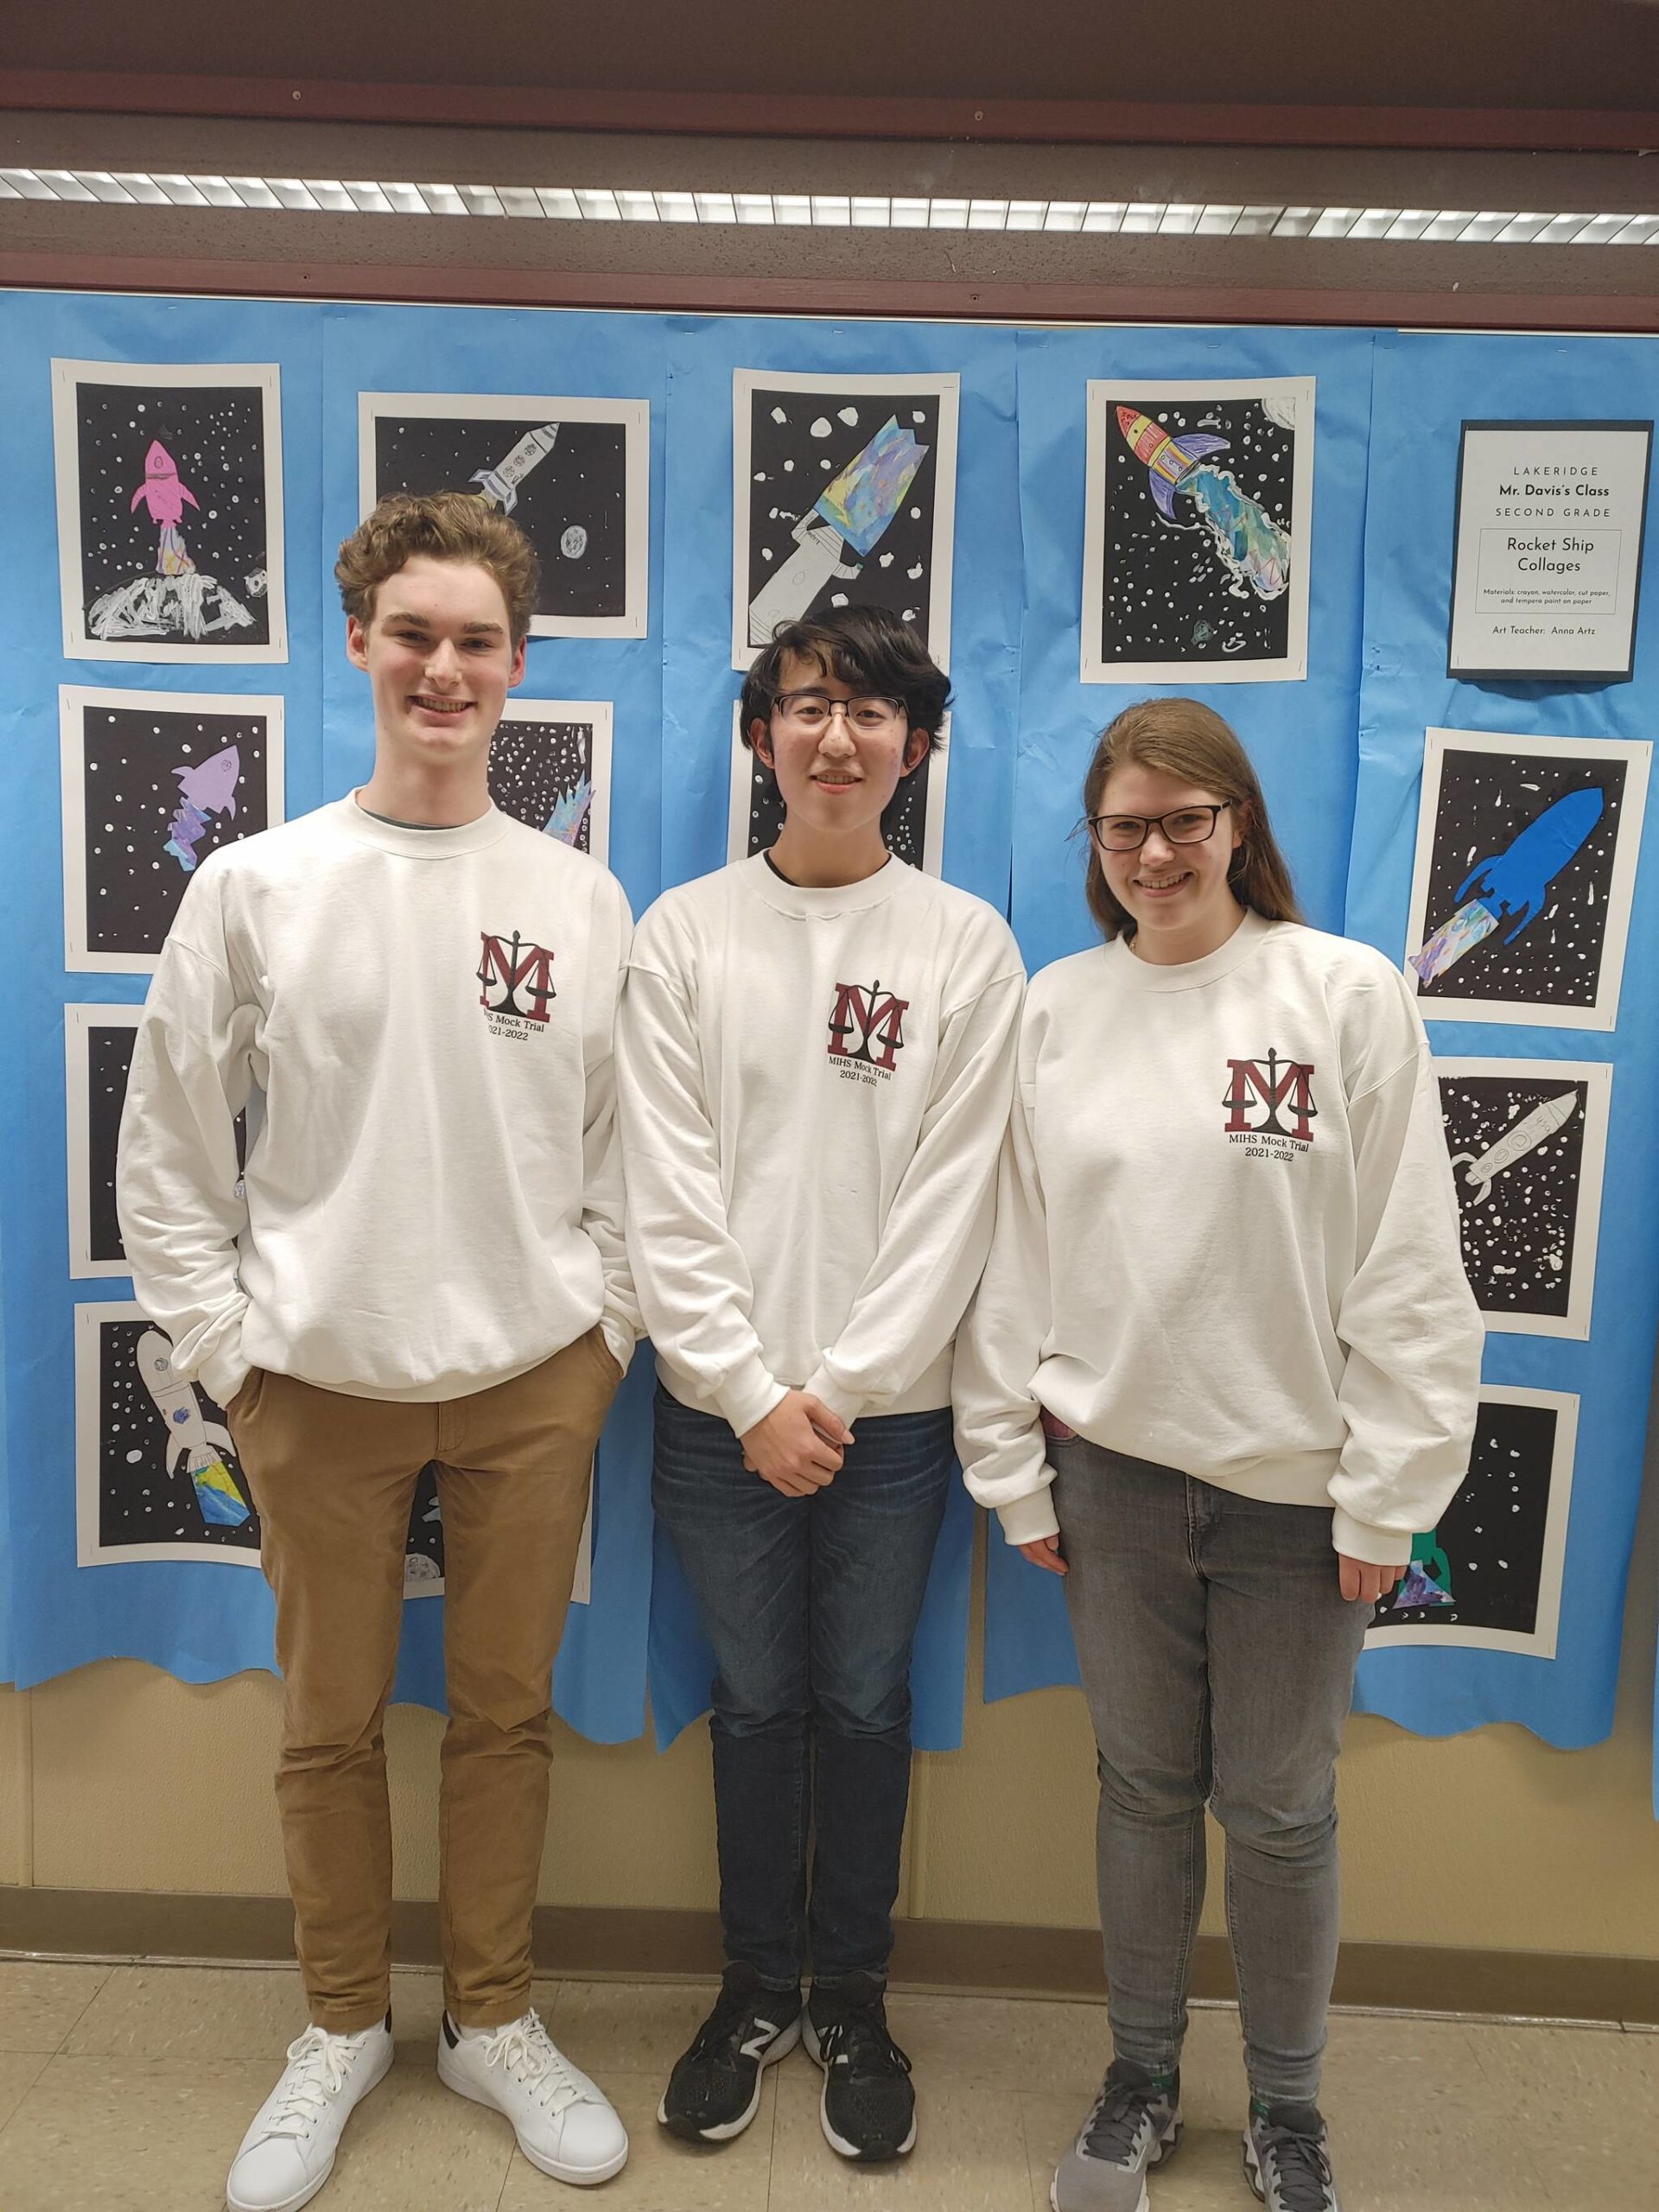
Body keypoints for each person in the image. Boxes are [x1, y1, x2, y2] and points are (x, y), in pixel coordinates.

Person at [118, 492, 639, 2209]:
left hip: (530, 1378)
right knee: (327, 1722)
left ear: (517, 666)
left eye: (477, 640)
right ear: (358, 642)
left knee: (504, 1712)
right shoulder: (259, 884)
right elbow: (171, 1149)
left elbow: (632, 1150)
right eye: (413, 632)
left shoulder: (573, 893)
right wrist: (227, 1351)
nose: (443, 665)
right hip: (315, 1385)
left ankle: (492, 2016)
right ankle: (342, 2024)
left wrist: (605, 1335)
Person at [955, 699, 1482, 2212]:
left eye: (1188, 820)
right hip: (1111, 1483)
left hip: (1301, 1501)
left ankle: (1290, 2107)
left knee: (1281, 1807)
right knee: (1138, 1789)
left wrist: (1390, 1489)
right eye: (1126, 827)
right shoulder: (1057, 1007)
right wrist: (1012, 1471)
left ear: (1240, 824)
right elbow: (1015, 1256)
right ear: (1097, 847)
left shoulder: (1343, 993)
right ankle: (1136, 2081)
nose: (1157, 852)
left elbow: (1409, 1259)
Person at [616, 607, 1023, 2164]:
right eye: (805, 708)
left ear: (914, 747)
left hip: (896, 1422)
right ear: (760, 737)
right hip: (718, 1414)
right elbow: (666, 1192)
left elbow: (955, 1201)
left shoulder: (965, 945)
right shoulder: (684, 935)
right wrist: (744, 1390)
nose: (834, 737)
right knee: (752, 1705)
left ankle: (851, 1993)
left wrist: (838, 1390)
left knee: (861, 1705)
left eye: (868, 714)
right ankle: (749, 1992)